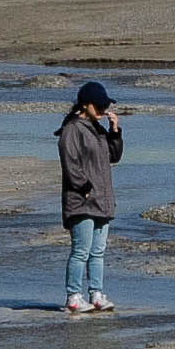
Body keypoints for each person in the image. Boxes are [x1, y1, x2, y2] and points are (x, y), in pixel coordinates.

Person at [56, 82, 125, 312]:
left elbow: (113, 157)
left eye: (106, 105)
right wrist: (83, 186)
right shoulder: (72, 129)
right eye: (100, 105)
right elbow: (70, 162)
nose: (104, 109)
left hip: (102, 199)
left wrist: (115, 130)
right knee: (81, 251)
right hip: (81, 201)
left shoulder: (98, 128)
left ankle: (96, 294)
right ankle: (73, 296)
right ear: (85, 105)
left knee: (98, 252)